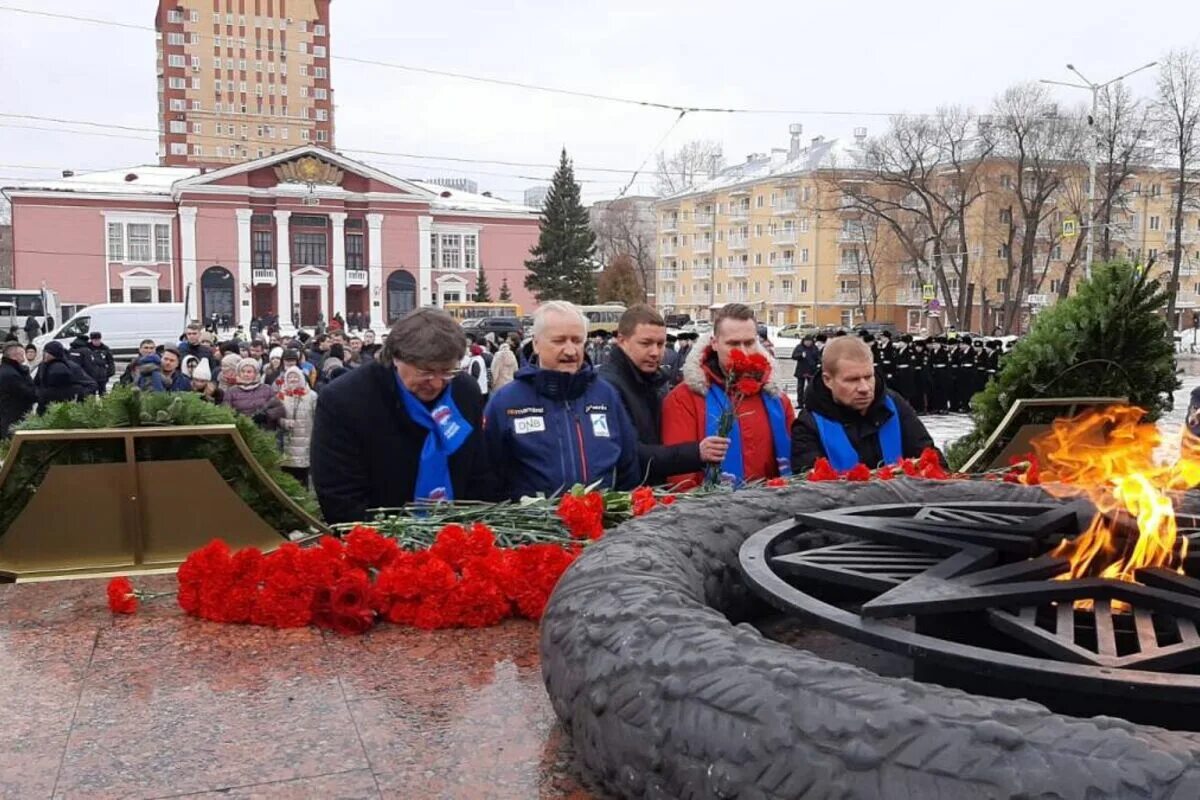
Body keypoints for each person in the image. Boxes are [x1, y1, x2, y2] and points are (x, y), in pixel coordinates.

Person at [311, 307, 497, 524]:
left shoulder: (465, 391)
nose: (437, 383)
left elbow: (480, 473)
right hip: (381, 539)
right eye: (426, 372)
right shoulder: (344, 400)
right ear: (396, 357)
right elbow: (339, 496)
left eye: (447, 371)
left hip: (458, 536)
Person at [485, 301, 640, 500]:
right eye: (559, 341)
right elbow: (488, 477)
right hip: (533, 527)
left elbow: (629, 468)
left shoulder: (606, 395)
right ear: (536, 344)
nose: (570, 350)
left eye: (577, 341)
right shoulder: (506, 402)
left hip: (603, 525)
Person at [661, 303, 795, 489]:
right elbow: (681, 479)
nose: (743, 352)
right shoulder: (685, 399)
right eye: (733, 344)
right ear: (714, 343)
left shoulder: (778, 400)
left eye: (749, 343)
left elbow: (796, 466)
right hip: (712, 512)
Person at [597, 305, 716, 486]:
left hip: (654, 492)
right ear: (621, 341)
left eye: (660, 344)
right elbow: (629, 454)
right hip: (627, 498)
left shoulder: (655, 381)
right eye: (646, 343)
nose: (655, 353)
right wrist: (695, 453)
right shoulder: (607, 387)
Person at [791, 336, 940, 471]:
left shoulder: (894, 406)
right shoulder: (809, 425)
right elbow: (810, 489)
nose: (864, 388)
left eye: (869, 377)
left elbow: (931, 462)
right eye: (852, 380)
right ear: (828, 380)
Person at [276, 365, 317, 486]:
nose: (293, 380)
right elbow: (275, 417)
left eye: (296, 377)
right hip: (287, 443)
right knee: (287, 477)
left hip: (305, 442)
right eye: (290, 377)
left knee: (302, 476)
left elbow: (317, 417)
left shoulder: (312, 396)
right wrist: (284, 422)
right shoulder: (281, 396)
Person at [223, 358, 284, 430]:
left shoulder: (266, 389)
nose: (246, 374)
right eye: (243, 371)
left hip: (264, 431)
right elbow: (226, 411)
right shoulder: (231, 391)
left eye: (249, 372)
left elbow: (279, 409)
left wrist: (266, 415)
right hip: (242, 430)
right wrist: (239, 419)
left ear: (256, 373)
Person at [0, 340, 37, 437]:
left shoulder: (7, 370)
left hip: (9, 418)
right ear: (15, 355)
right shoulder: (11, 375)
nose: (24, 357)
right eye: (22, 353)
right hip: (14, 419)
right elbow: (28, 394)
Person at [33, 341, 79, 414]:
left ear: (52, 354)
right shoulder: (43, 365)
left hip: (58, 409)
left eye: (45, 352)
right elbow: (36, 383)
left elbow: (60, 391)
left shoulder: (61, 368)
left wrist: (42, 395)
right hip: (44, 407)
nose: (44, 354)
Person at [790, 334, 820, 408]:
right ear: (803, 341)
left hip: (812, 370)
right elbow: (793, 356)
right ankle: (800, 403)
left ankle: (810, 402)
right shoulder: (799, 347)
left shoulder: (814, 348)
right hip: (801, 370)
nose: (808, 343)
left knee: (811, 388)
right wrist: (800, 355)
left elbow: (818, 357)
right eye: (806, 341)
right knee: (800, 387)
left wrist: (819, 363)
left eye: (809, 341)